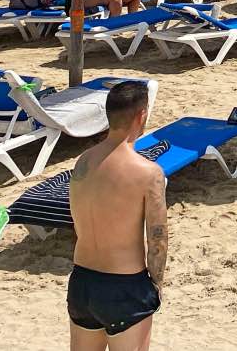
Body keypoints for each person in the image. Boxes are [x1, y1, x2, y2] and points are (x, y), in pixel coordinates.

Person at [68, 80, 167, 348]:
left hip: (82, 283)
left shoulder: (84, 162)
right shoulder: (148, 173)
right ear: (142, 115)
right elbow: (157, 238)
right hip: (124, 286)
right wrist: (156, 283)